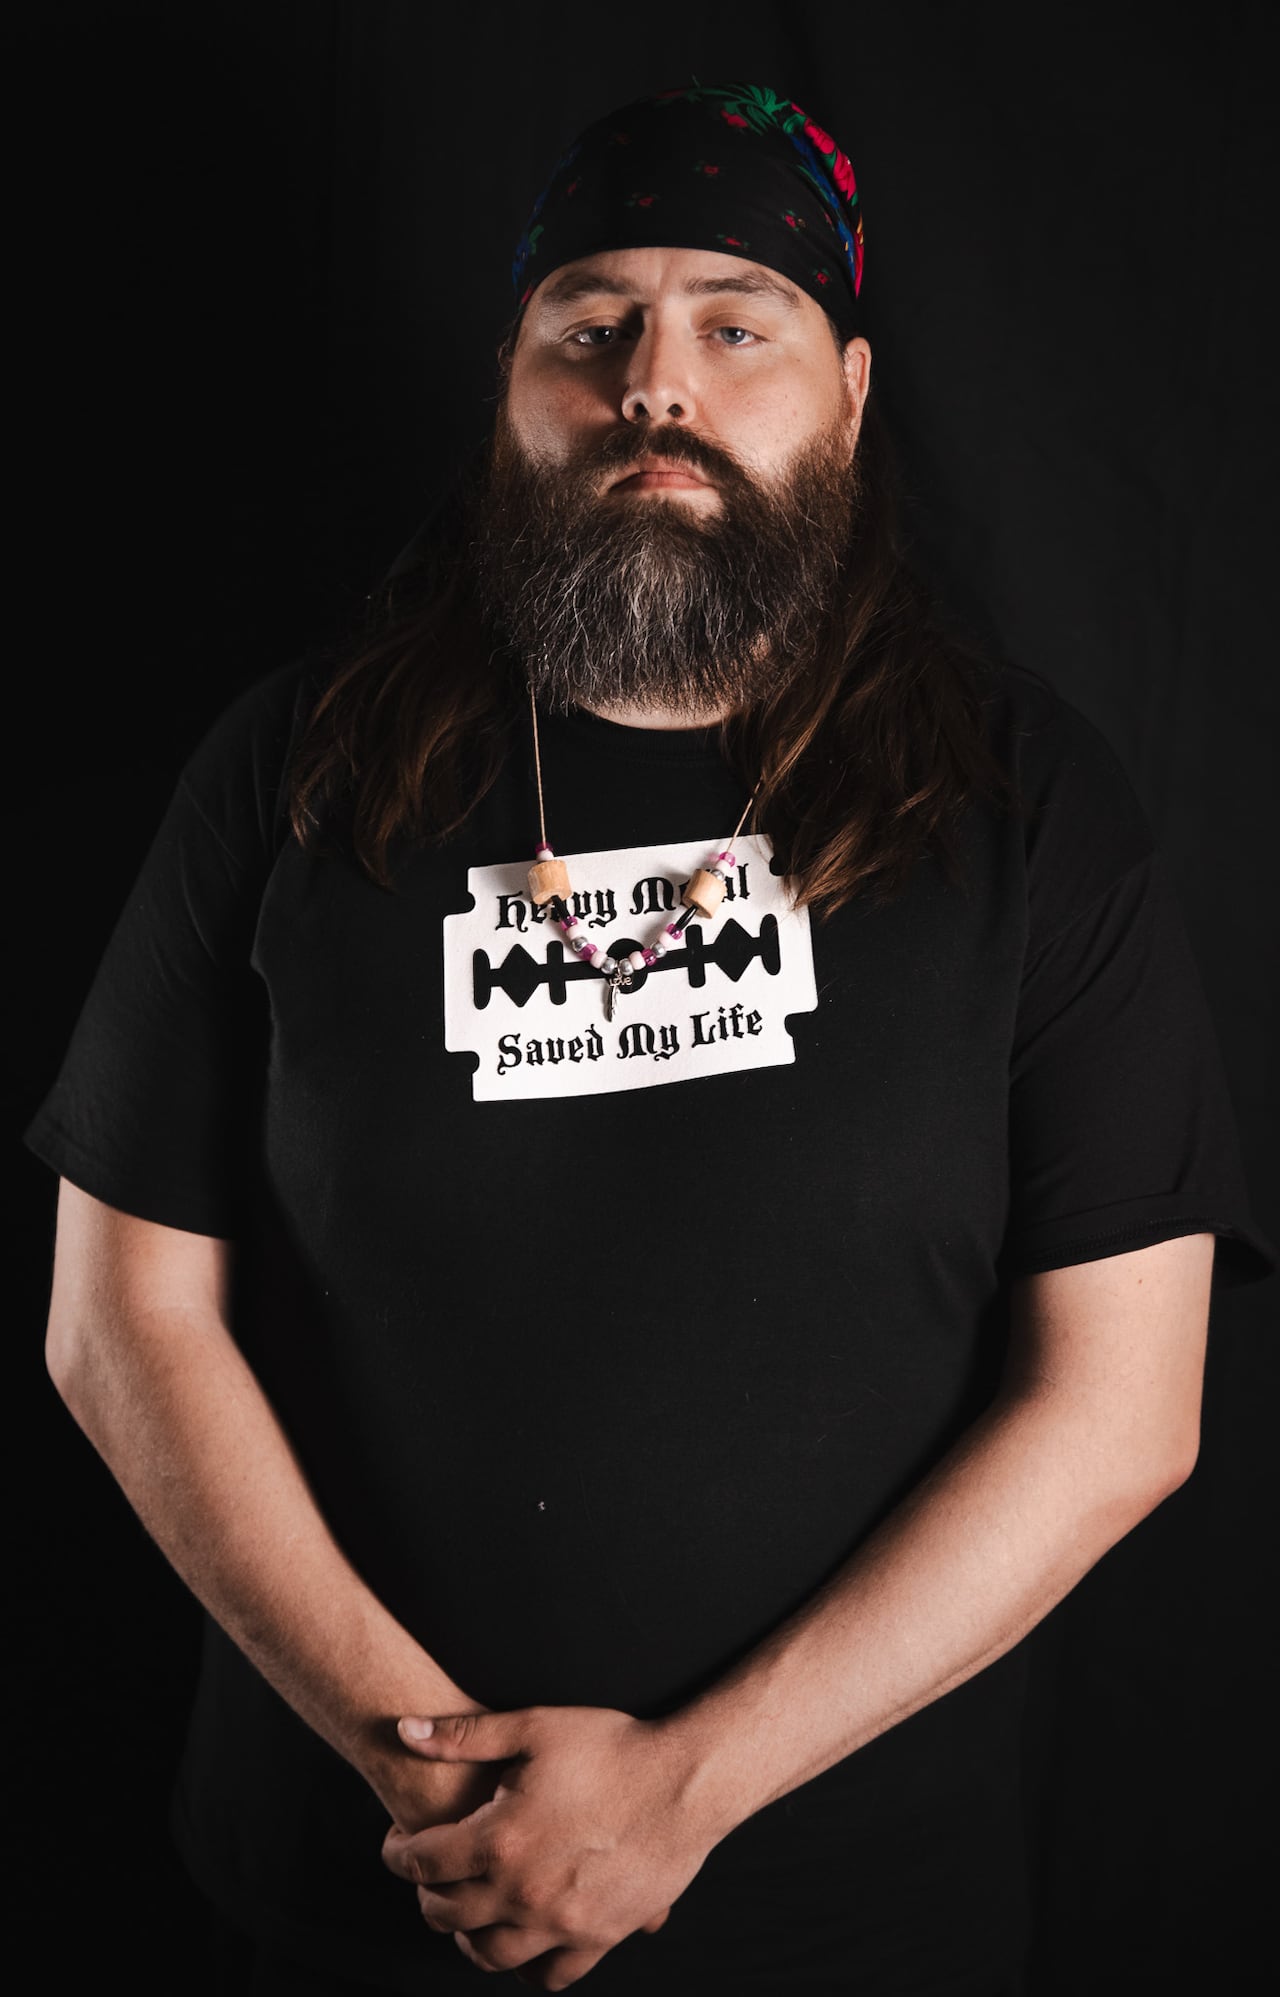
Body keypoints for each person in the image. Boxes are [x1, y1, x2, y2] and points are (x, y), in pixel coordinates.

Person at [27, 79, 1273, 1997]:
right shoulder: (293, 769)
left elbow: (1123, 1404)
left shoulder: (1024, 800)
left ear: (849, 392)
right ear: (512, 386)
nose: (654, 383)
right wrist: (436, 1785)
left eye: (735, 323)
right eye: (588, 325)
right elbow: (120, 1321)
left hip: (853, 1925)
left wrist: (672, 1797)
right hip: (341, 1896)